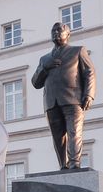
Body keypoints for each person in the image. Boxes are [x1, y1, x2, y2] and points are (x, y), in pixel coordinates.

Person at [30, 22, 96, 170]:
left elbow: (89, 72)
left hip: (73, 99)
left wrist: (89, 94)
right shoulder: (44, 59)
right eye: (53, 31)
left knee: (74, 132)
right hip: (51, 102)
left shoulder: (78, 51)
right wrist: (44, 68)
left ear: (68, 34)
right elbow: (35, 82)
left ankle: (74, 163)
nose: (56, 33)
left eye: (60, 31)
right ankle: (63, 166)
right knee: (58, 137)